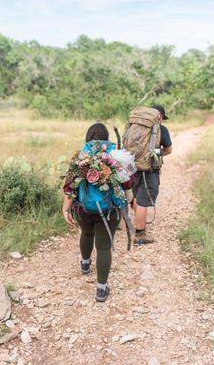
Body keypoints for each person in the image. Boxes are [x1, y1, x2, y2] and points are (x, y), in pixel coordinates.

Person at [62, 123, 134, 302]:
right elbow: (127, 185)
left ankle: (85, 264)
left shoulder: (80, 157)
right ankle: (101, 289)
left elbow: (70, 186)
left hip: (83, 209)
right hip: (110, 210)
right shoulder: (116, 156)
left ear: (87, 138)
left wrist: (65, 208)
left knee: (86, 233)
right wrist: (129, 204)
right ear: (107, 138)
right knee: (103, 247)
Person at [133, 104, 172, 244]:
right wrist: (154, 153)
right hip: (149, 169)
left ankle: (137, 223)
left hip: (132, 165)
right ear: (159, 116)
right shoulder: (161, 129)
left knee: (136, 195)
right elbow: (168, 150)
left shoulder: (136, 126)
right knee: (144, 200)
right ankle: (140, 234)